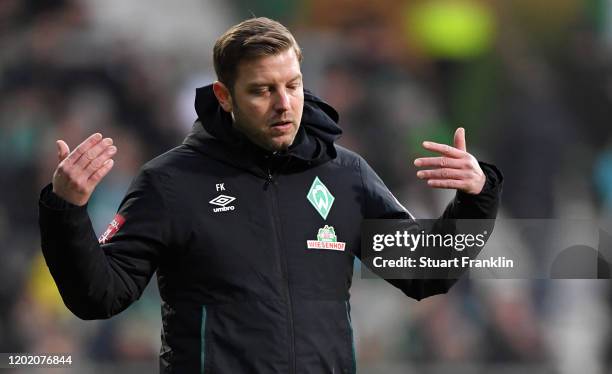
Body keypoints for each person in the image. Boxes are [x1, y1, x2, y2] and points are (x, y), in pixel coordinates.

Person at [38, 17, 502, 373]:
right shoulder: (171, 182)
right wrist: (67, 211)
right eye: (262, 90)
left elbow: (425, 271)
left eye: (292, 86)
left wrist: (477, 197)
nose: (284, 104)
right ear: (224, 96)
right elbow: (98, 297)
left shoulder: (345, 176)